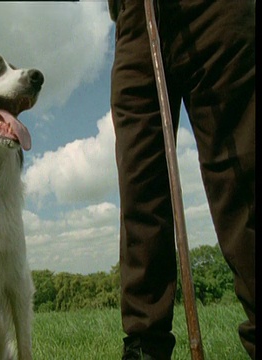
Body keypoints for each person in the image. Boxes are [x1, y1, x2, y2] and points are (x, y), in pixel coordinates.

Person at [107, 0, 255, 359]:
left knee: (243, 176)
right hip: (134, 19)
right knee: (140, 187)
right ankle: (144, 345)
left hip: (217, 10)